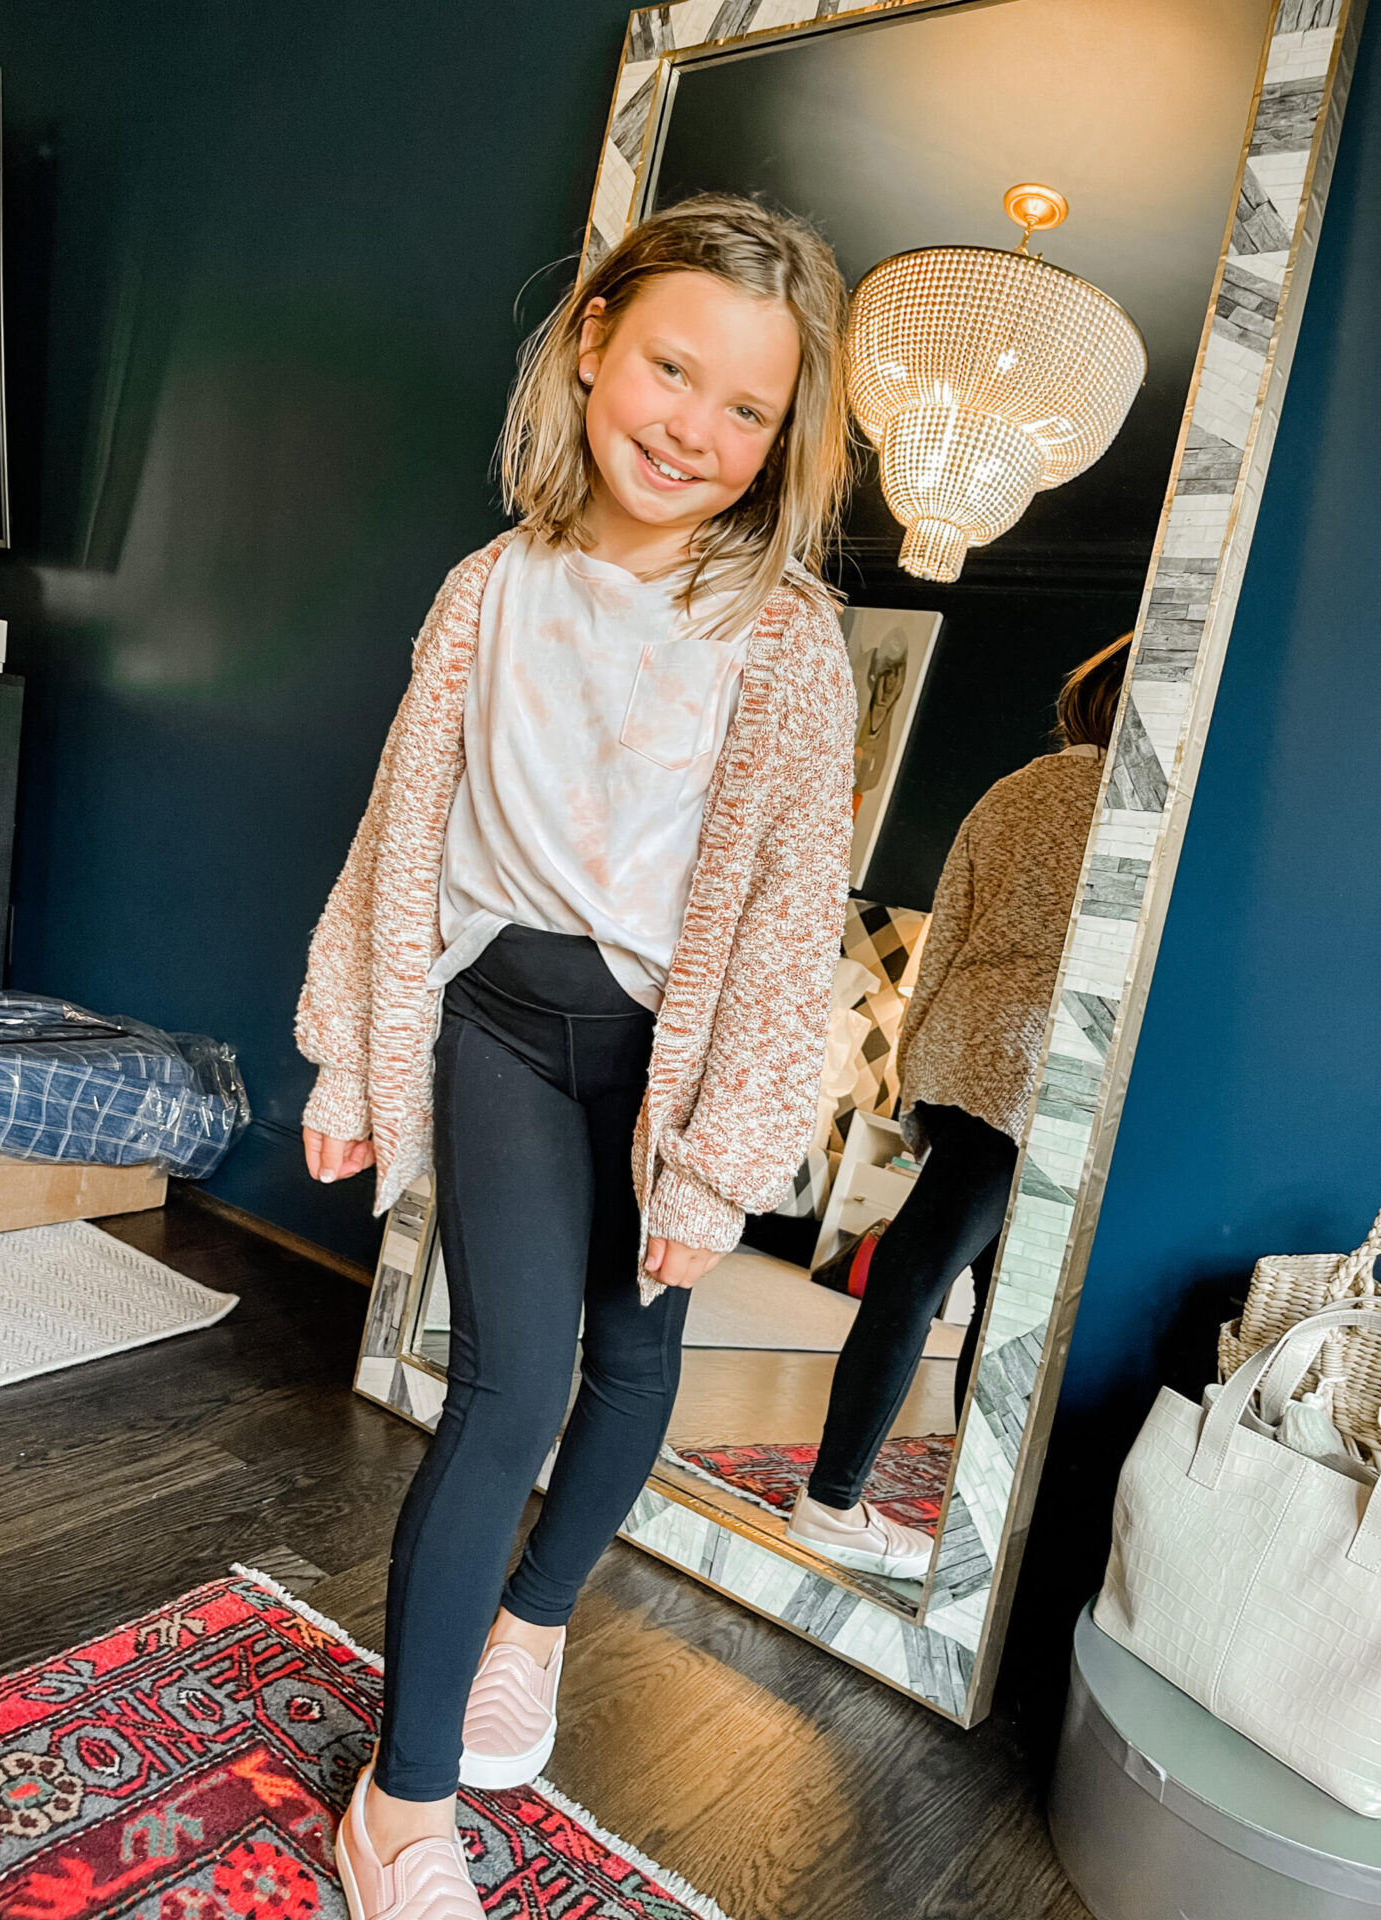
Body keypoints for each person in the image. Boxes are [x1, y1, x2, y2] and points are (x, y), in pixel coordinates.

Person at [295, 194, 857, 1920]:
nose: (693, 426)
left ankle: (529, 1623)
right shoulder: (491, 589)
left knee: (633, 1367)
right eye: (671, 366)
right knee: (508, 1386)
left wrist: (713, 1167)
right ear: (594, 339)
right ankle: (401, 1810)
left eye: (746, 406)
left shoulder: (786, 639)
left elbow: (786, 920)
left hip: (667, 1065)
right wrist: (350, 1056)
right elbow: (405, 828)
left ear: (785, 438)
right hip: (496, 1028)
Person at [787, 634, 1132, 1580]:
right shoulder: (1143, 815)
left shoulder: (1014, 790)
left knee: (950, 1274)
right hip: (1047, 1065)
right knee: (958, 1281)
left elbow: (943, 941)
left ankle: (928, 1495)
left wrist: (914, 1064)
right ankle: (841, 1501)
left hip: (964, 1046)